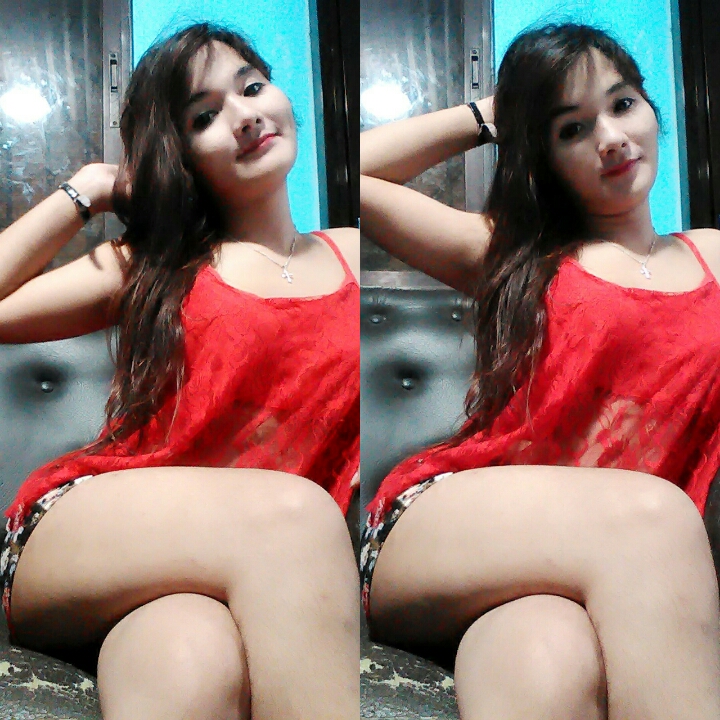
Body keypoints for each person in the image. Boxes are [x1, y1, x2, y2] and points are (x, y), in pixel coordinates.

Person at [359, 22, 720, 720]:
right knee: (654, 514)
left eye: (622, 105)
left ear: (651, 110)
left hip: (594, 574)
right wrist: (491, 114)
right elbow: (355, 169)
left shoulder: (713, 258)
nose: (610, 138)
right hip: (454, 531)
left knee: (544, 655)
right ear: (543, 156)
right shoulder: (514, 254)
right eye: (571, 129)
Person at [0, 22, 359, 720]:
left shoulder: (349, 252)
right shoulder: (155, 267)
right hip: (91, 537)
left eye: (252, 87)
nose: (244, 116)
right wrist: (88, 189)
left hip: (228, 578)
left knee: (188, 655)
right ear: (179, 155)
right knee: (293, 512)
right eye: (203, 117)